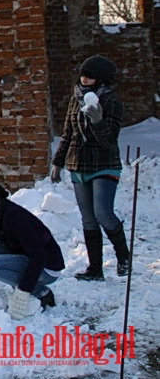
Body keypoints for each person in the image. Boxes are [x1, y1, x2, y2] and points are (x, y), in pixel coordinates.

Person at [50, 54, 129, 280]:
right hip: (78, 164)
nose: (84, 79)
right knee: (88, 218)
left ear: (101, 79)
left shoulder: (110, 101)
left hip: (104, 164)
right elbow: (68, 134)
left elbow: (109, 140)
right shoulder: (76, 98)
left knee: (103, 213)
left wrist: (97, 121)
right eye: (83, 74)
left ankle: (123, 257)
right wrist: (58, 161)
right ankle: (95, 269)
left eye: (90, 76)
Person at [0, 181, 65, 319]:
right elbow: (10, 245)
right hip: (27, 256)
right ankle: (29, 284)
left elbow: (39, 255)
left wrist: (24, 291)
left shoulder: (14, 217)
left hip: (48, 267)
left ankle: (41, 291)